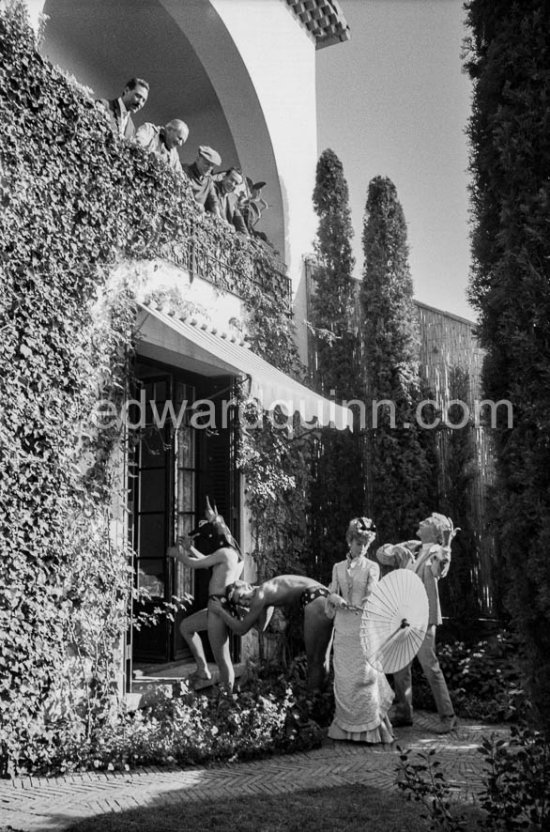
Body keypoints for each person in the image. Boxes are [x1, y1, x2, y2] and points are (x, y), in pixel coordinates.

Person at [376, 512, 459, 734]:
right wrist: (393, 549)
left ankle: (448, 716)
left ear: (433, 530)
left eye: (425, 522)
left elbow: (439, 570)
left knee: (429, 666)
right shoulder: (412, 547)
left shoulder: (436, 551)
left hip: (423, 618)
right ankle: (404, 712)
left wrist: (447, 544)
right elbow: (380, 554)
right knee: (400, 664)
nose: (419, 522)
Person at [325, 517, 394, 743]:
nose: (362, 548)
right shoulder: (337, 568)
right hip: (343, 631)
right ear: (349, 541)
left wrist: (366, 600)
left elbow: (374, 592)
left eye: (366, 544)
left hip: (363, 629)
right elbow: (330, 595)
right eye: (358, 543)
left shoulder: (372, 567)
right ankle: (344, 729)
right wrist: (334, 598)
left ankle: (371, 731)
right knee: (345, 680)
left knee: (365, 679)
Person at [209, 574, 334, 693]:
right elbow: (261, 627)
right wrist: (243, 613)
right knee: (320, 660)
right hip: (320, 595)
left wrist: (220, 611)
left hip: (314, 598)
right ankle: (320, 700)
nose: (244, 602)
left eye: (241, 596)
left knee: (315, 662)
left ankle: (313, 705)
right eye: (240, 603)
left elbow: (241, 629)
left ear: (247, 586)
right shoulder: (266, 594)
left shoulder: (261, 594)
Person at [167, 500, 243, 690]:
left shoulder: (225, 553)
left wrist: (178, 554)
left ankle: (227, 700)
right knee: (186, 627)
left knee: (222, 659)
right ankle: (202, 669)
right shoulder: (230, 552)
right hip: (215, 606)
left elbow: (195, 565)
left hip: (219, 607)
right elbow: (208, 561)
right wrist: (190, 548)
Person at [182, 146, 221, 214]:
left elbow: (213, 201)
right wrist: (197, 205)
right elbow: (184, 195)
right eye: (207, 164)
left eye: (212, 165)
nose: (209, 168)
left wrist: (218, 217)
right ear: (197, 159)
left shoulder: (209, 180)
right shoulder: (185, 171)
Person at [214, 168, 248, 234]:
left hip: (226, 233)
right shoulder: (213, 187)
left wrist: (247, 237)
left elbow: (239, 220)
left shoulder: (233, 197)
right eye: (231, 180)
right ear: (224, 177)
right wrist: (228, 225)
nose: (233, 184)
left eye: (236, 183)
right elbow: (216, 208)